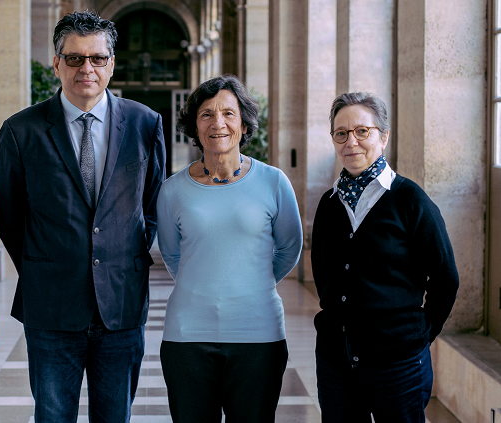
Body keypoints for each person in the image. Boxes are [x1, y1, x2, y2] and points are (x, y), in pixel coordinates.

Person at [0, 10, 166, 423]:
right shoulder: (22, 131)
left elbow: (153, 205)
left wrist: (121, 260)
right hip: (51, 308)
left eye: (97, 58)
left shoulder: (145, 123)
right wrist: (45, 267)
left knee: (114, 417)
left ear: (111, 63)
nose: (86, 68)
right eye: (74, 58)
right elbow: (10, 216)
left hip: (121, 307)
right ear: (57, 63)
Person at [156, 74, 303, 423]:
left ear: (244, 122)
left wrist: (252, 283)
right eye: (206, 114)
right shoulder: (172, 190)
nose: (217, 123)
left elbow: (289, 247)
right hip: (186, 339)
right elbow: (173, 256)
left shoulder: (274, 182)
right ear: (194, 125)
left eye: (228, 113)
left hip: (259, 336)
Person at [311, 92, 460, 422]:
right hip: (337, 360)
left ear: (383, 136)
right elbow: (324, 275)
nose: (351, 142)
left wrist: (419, 334)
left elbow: (446, 278)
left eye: (362, 131)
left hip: (399, 361)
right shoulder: (329, 203)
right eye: (341, 133)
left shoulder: (410, 200)